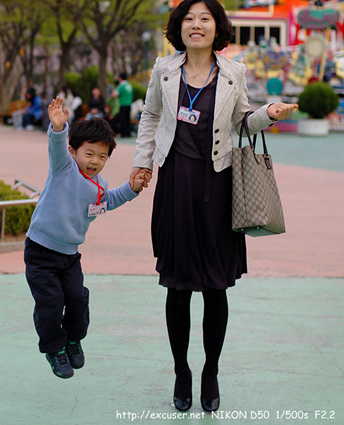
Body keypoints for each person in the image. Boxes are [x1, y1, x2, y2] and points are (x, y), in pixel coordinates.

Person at [128, 0, 297, 413]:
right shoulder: (163, 69)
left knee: (216, 285)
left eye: (204, 18)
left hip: (218, 184)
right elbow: (150, 116)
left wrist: (268, 114)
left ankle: (211, 371)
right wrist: (141, 161)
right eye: (188, 18)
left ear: (216, 26)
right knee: (177, 285)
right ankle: (181, 371)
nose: (196, 25)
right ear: (178, 26)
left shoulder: (234, 71)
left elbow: (242, 121)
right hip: (174, 185)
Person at [25, 97, 150, 379]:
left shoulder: (99, 185)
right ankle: (54, 349)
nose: (95, 161)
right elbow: (56, 146)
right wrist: (58, 127)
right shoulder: (64, 168)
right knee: (51, 302)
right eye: (89, 153)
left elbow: (109, 200)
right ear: (73, 151)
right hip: (41, 252)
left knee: (78, 299)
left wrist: (133, 188)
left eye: (102, 156)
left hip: (69, 256)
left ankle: (72, 340)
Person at [113, 72, 133, 137]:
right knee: (127, 119)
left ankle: (123, 134)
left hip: (123, 104)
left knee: (123, 120)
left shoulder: (121, 85)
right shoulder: (129, 85)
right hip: (129, 104)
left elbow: (115, 94)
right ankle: (128, 133)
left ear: (120, 78)